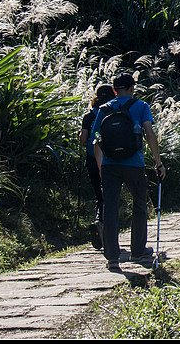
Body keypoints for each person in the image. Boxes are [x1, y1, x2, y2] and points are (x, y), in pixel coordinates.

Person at [91, 73, 166, 272]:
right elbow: (149, 133)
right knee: (140, 203)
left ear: (115, 90)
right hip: (134, 164)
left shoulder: (104, 109)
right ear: (132, 88)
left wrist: (101, 166)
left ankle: (113, 258)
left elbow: (96, 138)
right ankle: (138, 250)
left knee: (110, 209)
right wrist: (158, 162)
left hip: (109, 165)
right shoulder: (140, 107)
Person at [79, 83, 116, 249]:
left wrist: (80, 134)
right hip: (111, 159)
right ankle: (103, 225)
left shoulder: (89, 115)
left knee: (99, 194)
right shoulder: (114, 111)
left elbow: (83, 139)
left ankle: (98, 221)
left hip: (92, 158)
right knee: (110, 194)